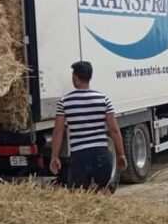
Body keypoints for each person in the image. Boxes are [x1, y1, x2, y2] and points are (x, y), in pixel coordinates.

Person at [49, 61, 127, 190]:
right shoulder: (103, 99)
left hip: (79, 156)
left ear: (75, 77)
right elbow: (114, 130)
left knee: (80, 194)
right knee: (103, 191)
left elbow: (58, 131)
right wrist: (121, 154)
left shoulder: (64, 101)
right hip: (101, 155)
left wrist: (54, 156)